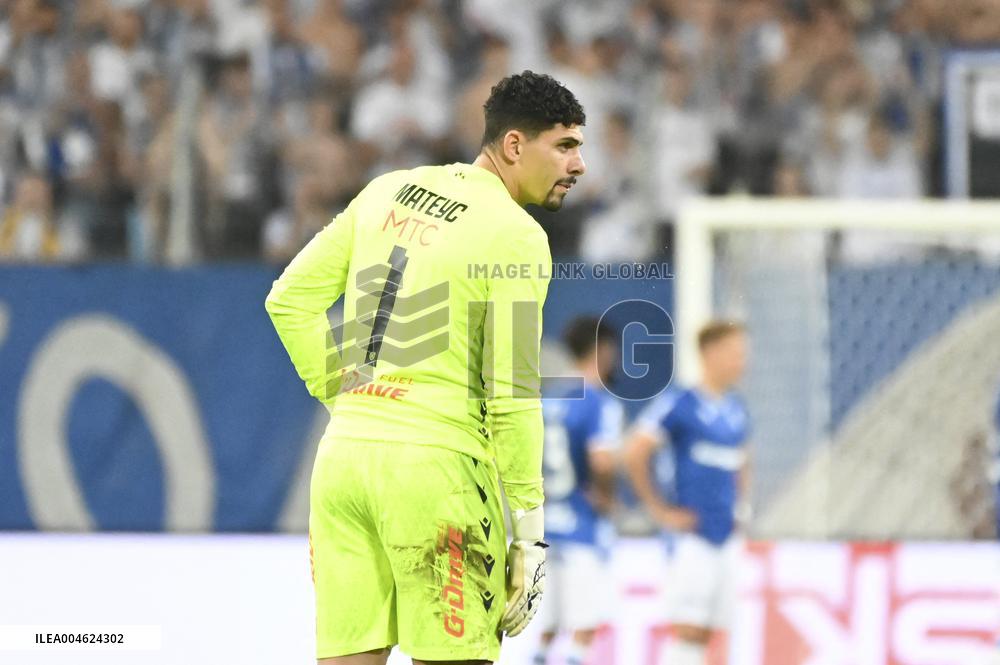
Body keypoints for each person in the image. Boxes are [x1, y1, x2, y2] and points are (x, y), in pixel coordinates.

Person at [265, 71, 586, 665]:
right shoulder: (517, 235)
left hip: (343, 464)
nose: (579, 164)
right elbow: (513, 392)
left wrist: (347, 399)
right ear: (515, 145)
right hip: (437, 477)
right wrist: (531, 534)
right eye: (564, 146)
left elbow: (288, 300)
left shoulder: (388, 190)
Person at [624, 321, 751, 665]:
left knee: (709, 630)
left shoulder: (737, 410)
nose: (743, 361)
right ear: (710, 353)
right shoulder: (679, 402)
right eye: (736, 353)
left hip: (725, 533)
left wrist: (741, 507)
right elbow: (636, 449)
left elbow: (742, 460)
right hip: (691, 536)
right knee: (688, 628)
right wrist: (660, 511)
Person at [533, 316, 623, 665]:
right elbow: (601, 461)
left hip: (548, 522)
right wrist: (607, 496)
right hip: (584, 524)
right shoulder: (599, 402)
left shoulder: (550, 400)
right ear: (604, 350)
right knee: (584, 625)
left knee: (550, 622)